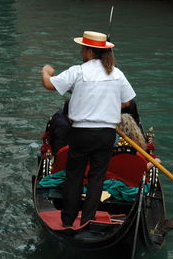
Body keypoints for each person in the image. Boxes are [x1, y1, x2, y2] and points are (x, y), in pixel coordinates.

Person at [41, 31, 136, 227]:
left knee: (74, 176)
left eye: (83, 47)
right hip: (106, 134)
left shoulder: (78, 71)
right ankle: (87, 220)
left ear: (89, 52)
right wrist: (106, 106)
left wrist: (46, 71)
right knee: (96, 178)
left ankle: (68, 221)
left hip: (82, 133)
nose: (81, 50)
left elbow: (49, 85)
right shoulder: (117, 74)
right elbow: (127, 101)